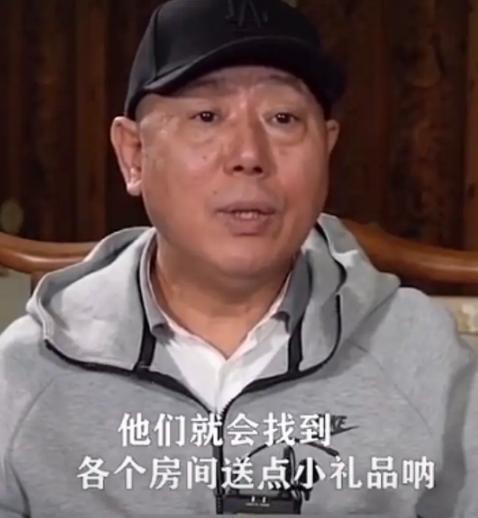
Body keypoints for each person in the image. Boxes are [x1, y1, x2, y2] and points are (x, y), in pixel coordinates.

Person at [0, 0, 477, 516]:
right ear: (133, 155)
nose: (249, 154)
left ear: (327, 148)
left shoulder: (422, 358)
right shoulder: (25, 375)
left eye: (283, 118)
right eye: (206, 116)